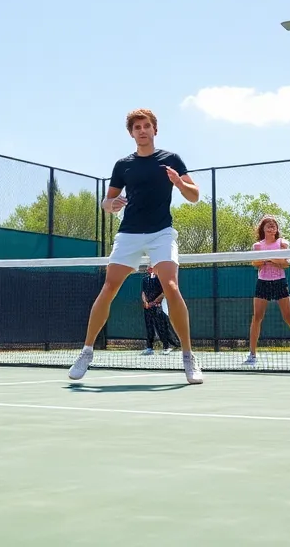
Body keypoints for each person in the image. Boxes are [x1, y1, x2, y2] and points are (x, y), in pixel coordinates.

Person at [69, 109, 203, 384]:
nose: (142, 130)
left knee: (171, 286)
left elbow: (195, 196)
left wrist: (179, 183)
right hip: (129, 233)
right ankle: (86, 352)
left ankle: (188, 357)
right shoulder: (123, 165)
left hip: (161, 233)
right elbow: (107, 202)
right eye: (137, 127)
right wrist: (110, 205)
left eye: (147, 126)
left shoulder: (171, 160)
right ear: (131, 133)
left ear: (155, 130)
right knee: (109, 288)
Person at [241, 215, 290, 367]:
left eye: (273, 224)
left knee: (289, 317)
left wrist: (269, 259)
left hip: (280, 282)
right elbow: (256, 263)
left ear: (276, 229)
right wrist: (273, 259)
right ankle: (252, 355)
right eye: (268, 224)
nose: (271, 226)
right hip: (263, 283)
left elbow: (286, 263)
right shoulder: (257, 246)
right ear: (263, 228)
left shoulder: (283, 243)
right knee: (257, 318)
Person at [140, 269, 179, 355]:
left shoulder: (160, 279)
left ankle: (166, 347)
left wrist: (154, 302)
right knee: (149, 327)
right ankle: (149, 348)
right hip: (148, 308)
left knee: (161, 327)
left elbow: (164, 292)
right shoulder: (144, 279)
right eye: (148, 266)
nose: (149, 268)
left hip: (158, 307)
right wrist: (145, 302)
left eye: (151, 266)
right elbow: (143, 292)